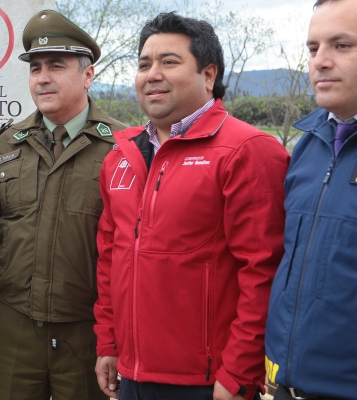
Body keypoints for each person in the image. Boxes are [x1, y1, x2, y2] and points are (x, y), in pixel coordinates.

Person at [93, 12, 290, 400]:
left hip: (206, 382)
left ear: (208, 75)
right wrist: (109, 343)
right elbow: (109, 258)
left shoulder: (247, 151)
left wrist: (238, 373)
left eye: (169, 62)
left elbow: (263, 271)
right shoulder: (121, 156)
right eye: (143, 64)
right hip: (131, 373)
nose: (152, 74)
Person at [0, 9, 127, 400]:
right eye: (35, 68)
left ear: (87, 75)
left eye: (56, 66)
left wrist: (112, 338)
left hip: (87, 333)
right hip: (16, 326)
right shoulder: (5, 145)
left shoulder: (122, 149)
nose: (43, 77)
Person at [264, 1, 357, 399]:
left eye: (341, 45)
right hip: (284, 385)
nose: (320, 61)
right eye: (313, 47)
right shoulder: (309, 146)